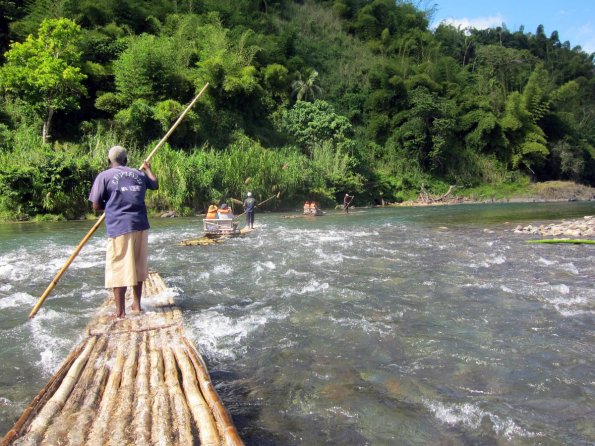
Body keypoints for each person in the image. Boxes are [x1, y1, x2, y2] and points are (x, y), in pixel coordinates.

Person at [89, 145, 158, 319]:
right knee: (138, 265)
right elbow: (155, 184)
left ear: (109, 161)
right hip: (140, 225)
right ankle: (137, 305)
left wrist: (112, 206)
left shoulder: (104, 176)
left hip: (119, 227)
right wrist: (148, 169)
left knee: (118, 267)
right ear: (126, 160)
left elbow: (96, 205)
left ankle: (120, 312)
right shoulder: (139, 173)